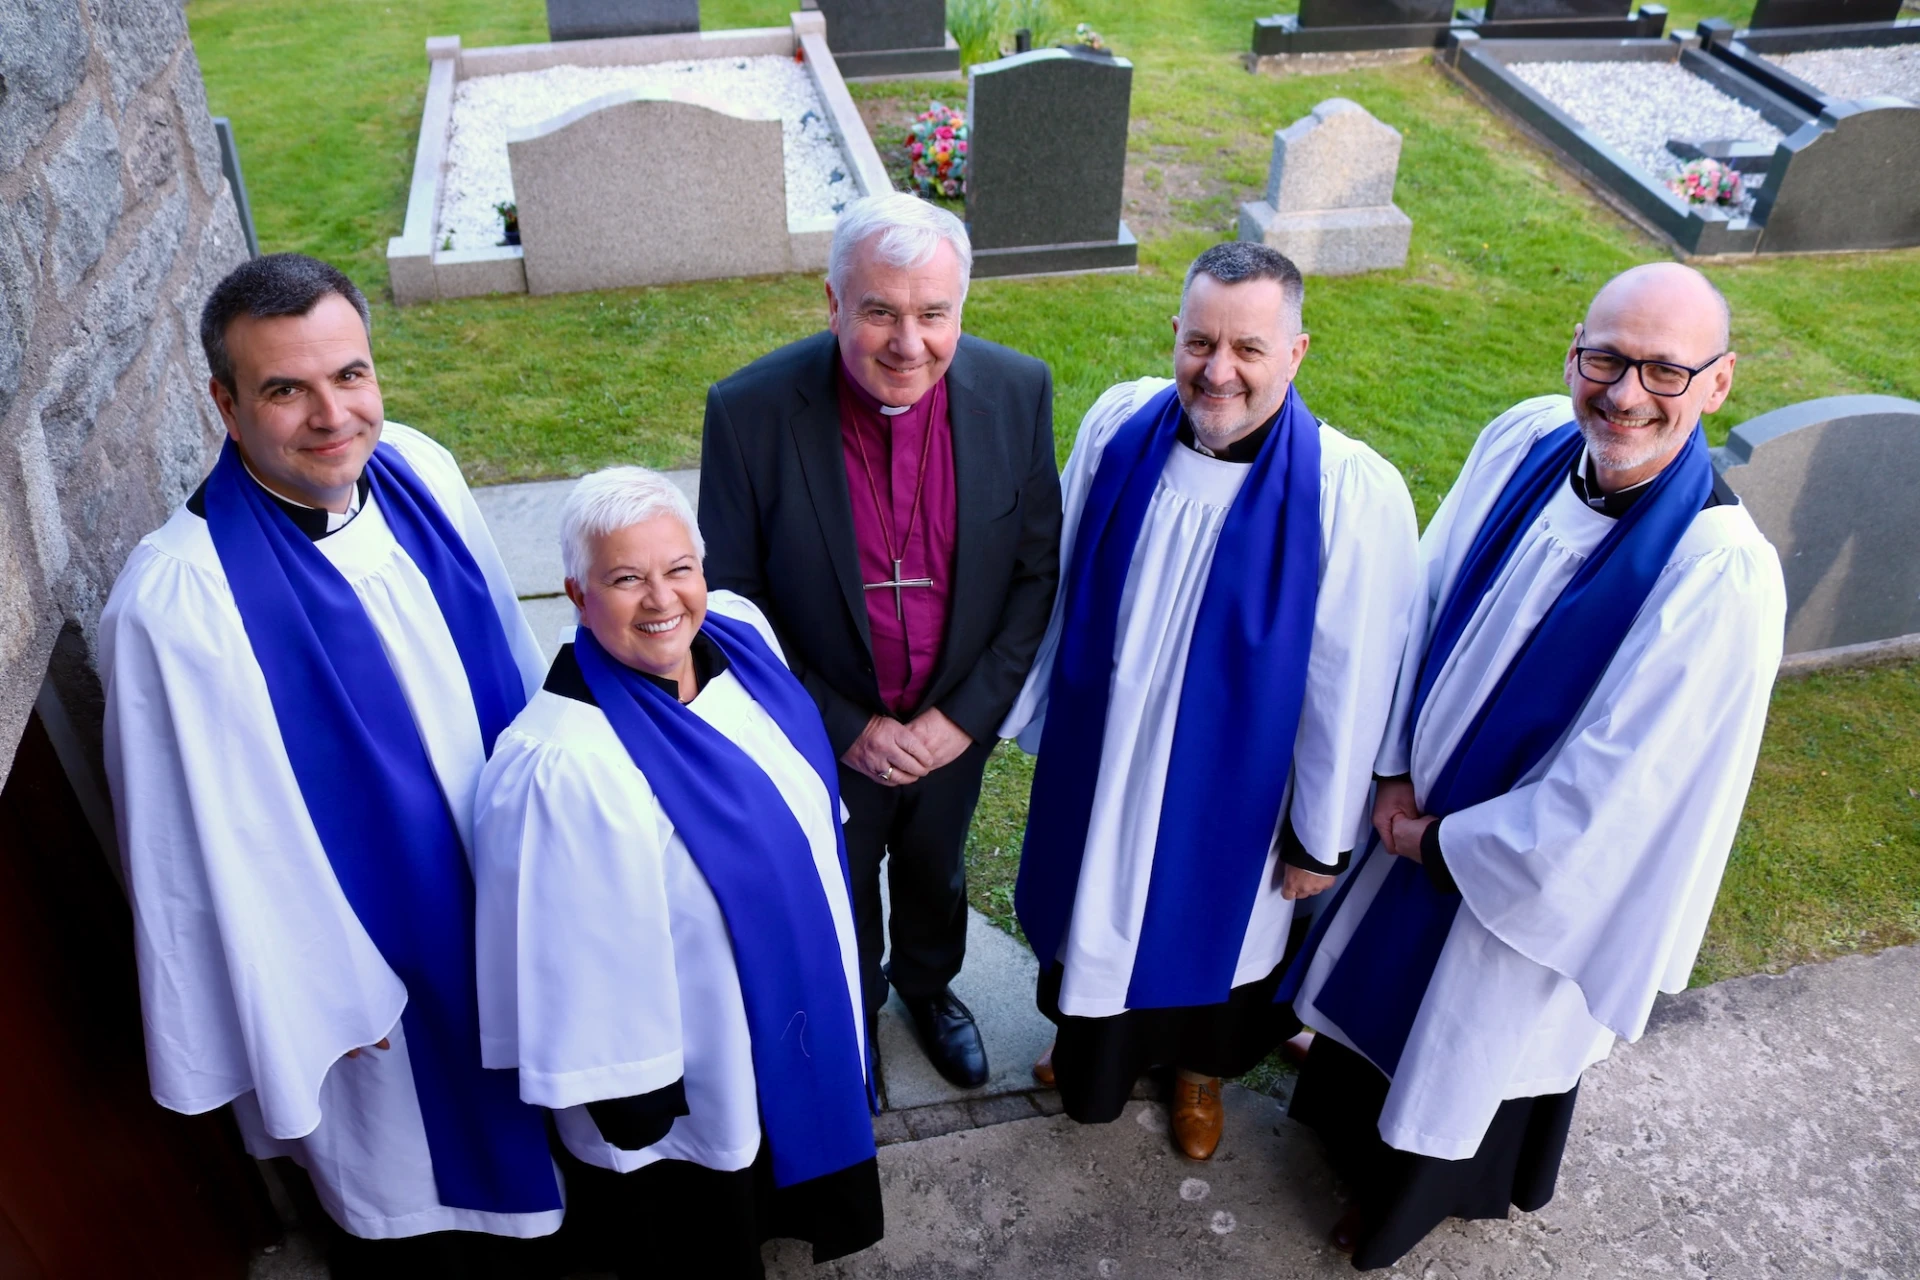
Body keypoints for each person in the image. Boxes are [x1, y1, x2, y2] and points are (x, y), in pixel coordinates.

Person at [1281, 262, 1787, 1269]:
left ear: (1719, 383)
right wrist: (1388, 768)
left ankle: (1401, 1196)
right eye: (1605, 357)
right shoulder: (1525, 439)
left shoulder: (1716, 572)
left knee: (1466, 1038)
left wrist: (1441, 842)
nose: (1625, 392)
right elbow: (1421, 593)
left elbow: (1619, 793)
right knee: (1366, 1003)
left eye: (1664, 371)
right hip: (1409, 808)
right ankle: (1340, 1123)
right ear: (1572, 349)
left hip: (1508, 880)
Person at [100, 254, 563, 1276]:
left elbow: (512, 664)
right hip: (373, 993)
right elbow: (192, 859)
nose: (332, 415)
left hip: (508, 901)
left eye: (350, 375)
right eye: (284, 389)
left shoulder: (420, 474)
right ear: (223, 403)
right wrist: (316, 1004)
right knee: (424, 1198)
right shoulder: (179, 604)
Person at [1000, 242, 1420, 1161]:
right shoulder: (1121, 424)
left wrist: (1318, 832)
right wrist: (1026, 712)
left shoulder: (1347, 491)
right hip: (1108, 755)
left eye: (1248, 350)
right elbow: (1064, 581)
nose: (1217, 371)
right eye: (1199, 343)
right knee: (1092, 901)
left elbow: (1349, 679)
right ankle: (1088, 1045)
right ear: (1176, 335)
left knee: (1216, 944)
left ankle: (1198, 1078)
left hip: (1239, 792)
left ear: (1297, 353)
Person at [471, 468, 881, 1278]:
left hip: (785, 995)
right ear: (576, 594)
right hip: (688, 1059)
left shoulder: (738, 635)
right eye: (625, 579)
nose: (663, 601)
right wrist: (631, 1097)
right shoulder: (566, 762)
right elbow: (572, 957)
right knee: (701, 1202)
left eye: (678, 569)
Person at [698, 193, 1062, 1087]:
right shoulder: (750, 413)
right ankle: (852, 1007)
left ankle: (929, 987)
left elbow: (1034, 574)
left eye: (933, 314)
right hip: (825, 731)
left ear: (961, 310)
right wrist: (844, 724)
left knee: (938, 868)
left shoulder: (1017, 393)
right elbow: (732, 598)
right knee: (840, 876)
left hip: (951, 723)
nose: (910, 344)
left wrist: (964, 719)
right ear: (832, 304)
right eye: (880, 312)